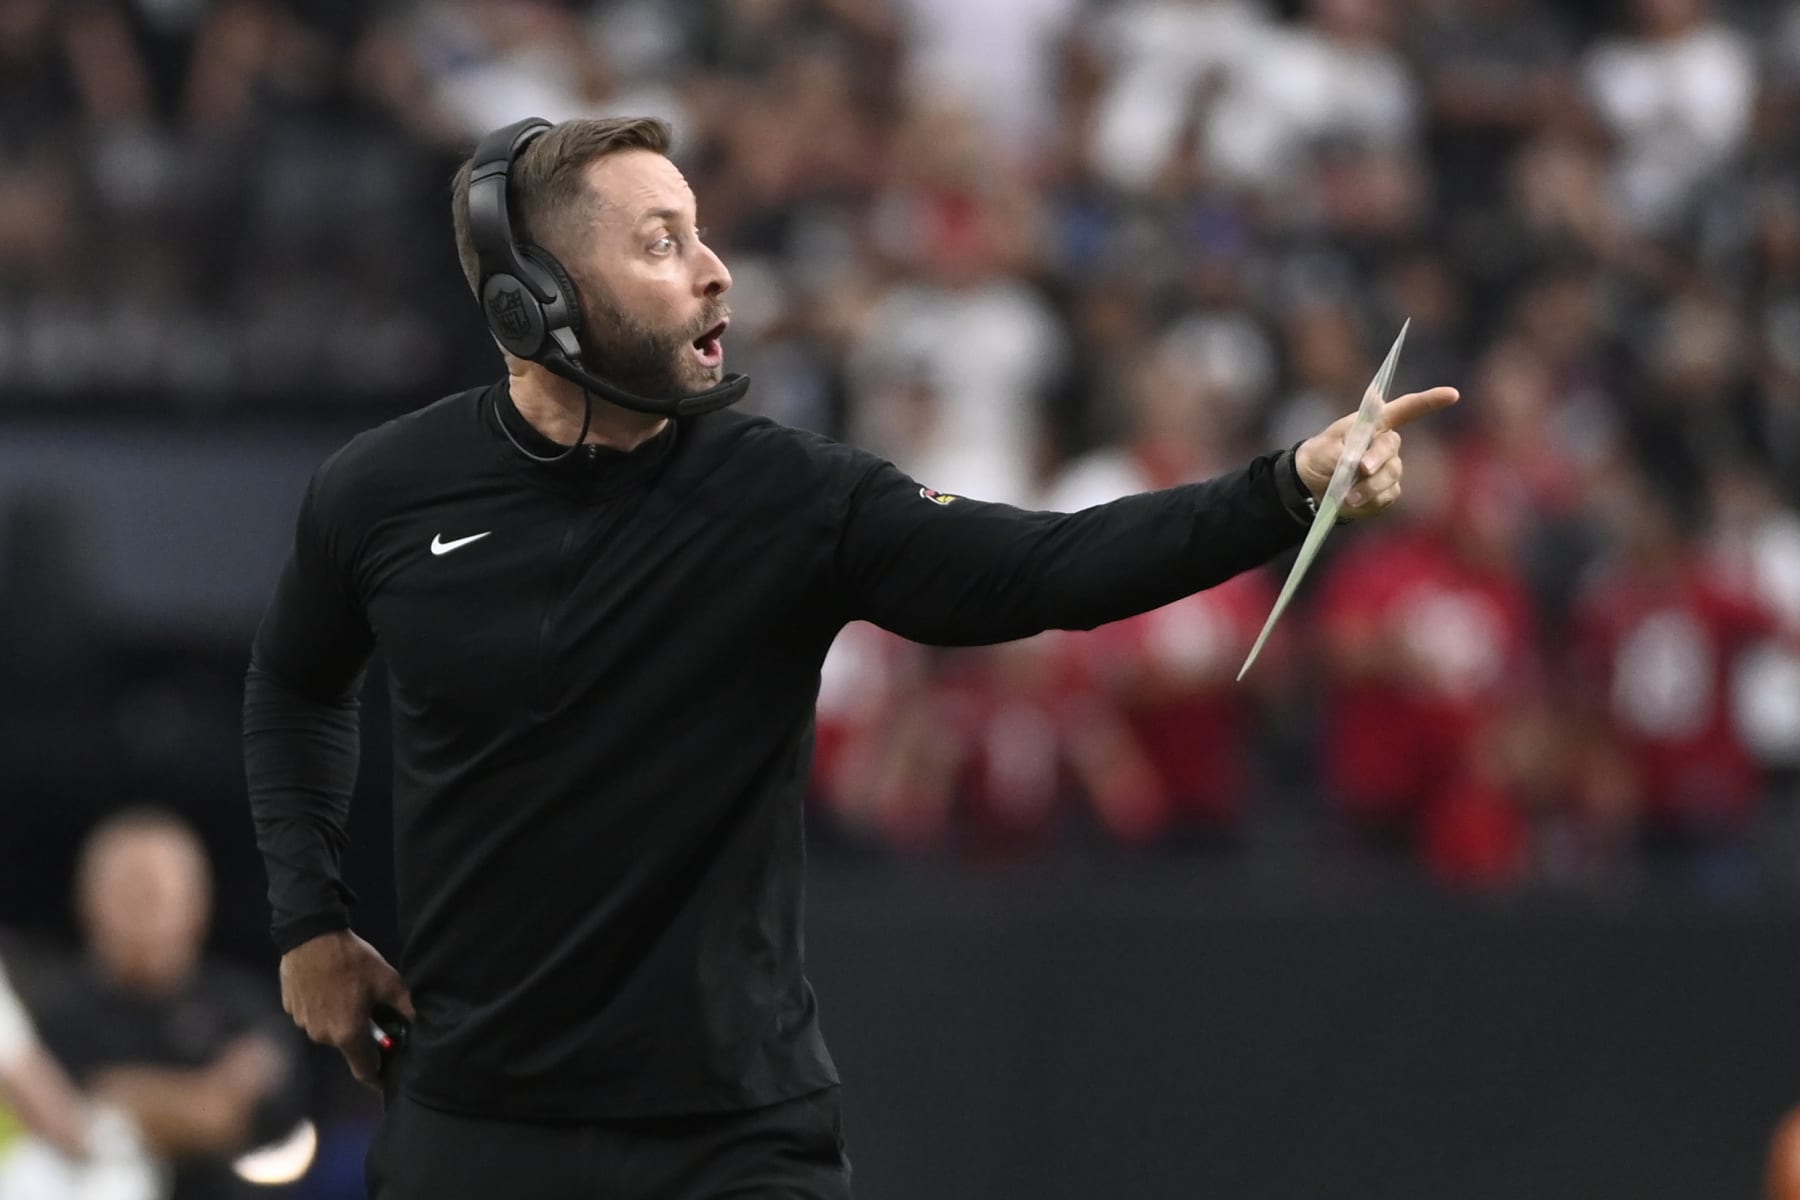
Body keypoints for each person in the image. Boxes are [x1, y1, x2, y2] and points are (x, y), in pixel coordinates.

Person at [243, 114, 1456, 1200]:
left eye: (703, 232)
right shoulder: (382, 493)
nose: (718, 271)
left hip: (725, 1132)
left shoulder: (788, 498)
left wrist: (1284, 487)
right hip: (476, 1122)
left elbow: (1046, 569)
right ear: (531, 298)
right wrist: (310, 922)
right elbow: (295, 686)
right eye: (662, 244)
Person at [32, 810, 303, 1200]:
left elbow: (261, 1117)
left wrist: (132, 1099)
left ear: (197, 903)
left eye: (157, 893)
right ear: (86, 902)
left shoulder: (245, 1006)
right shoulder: (53, 1016)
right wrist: (208, 1095)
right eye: (128, 892)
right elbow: (69, 1120)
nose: (144, 911)